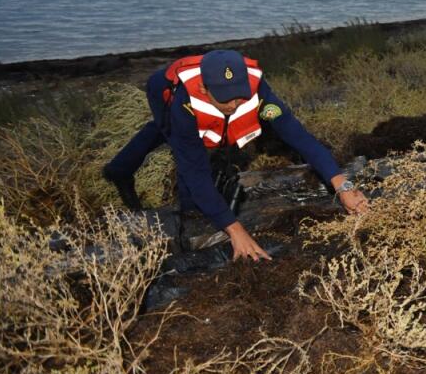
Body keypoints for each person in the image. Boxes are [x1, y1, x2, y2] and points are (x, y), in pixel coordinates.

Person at [102, 49, 369, 261]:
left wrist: (341, 184)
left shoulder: (259, 92)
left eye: (239, 96)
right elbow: (194, 172)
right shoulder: (185, 104)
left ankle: (118, 169)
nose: (233, 104)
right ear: (205, 90)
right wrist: (235, 230)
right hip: (163, 91)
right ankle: (132, 179)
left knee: (176, 134)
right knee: (176, 142)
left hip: (193, 106)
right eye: (225, 98)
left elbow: (299, 136)